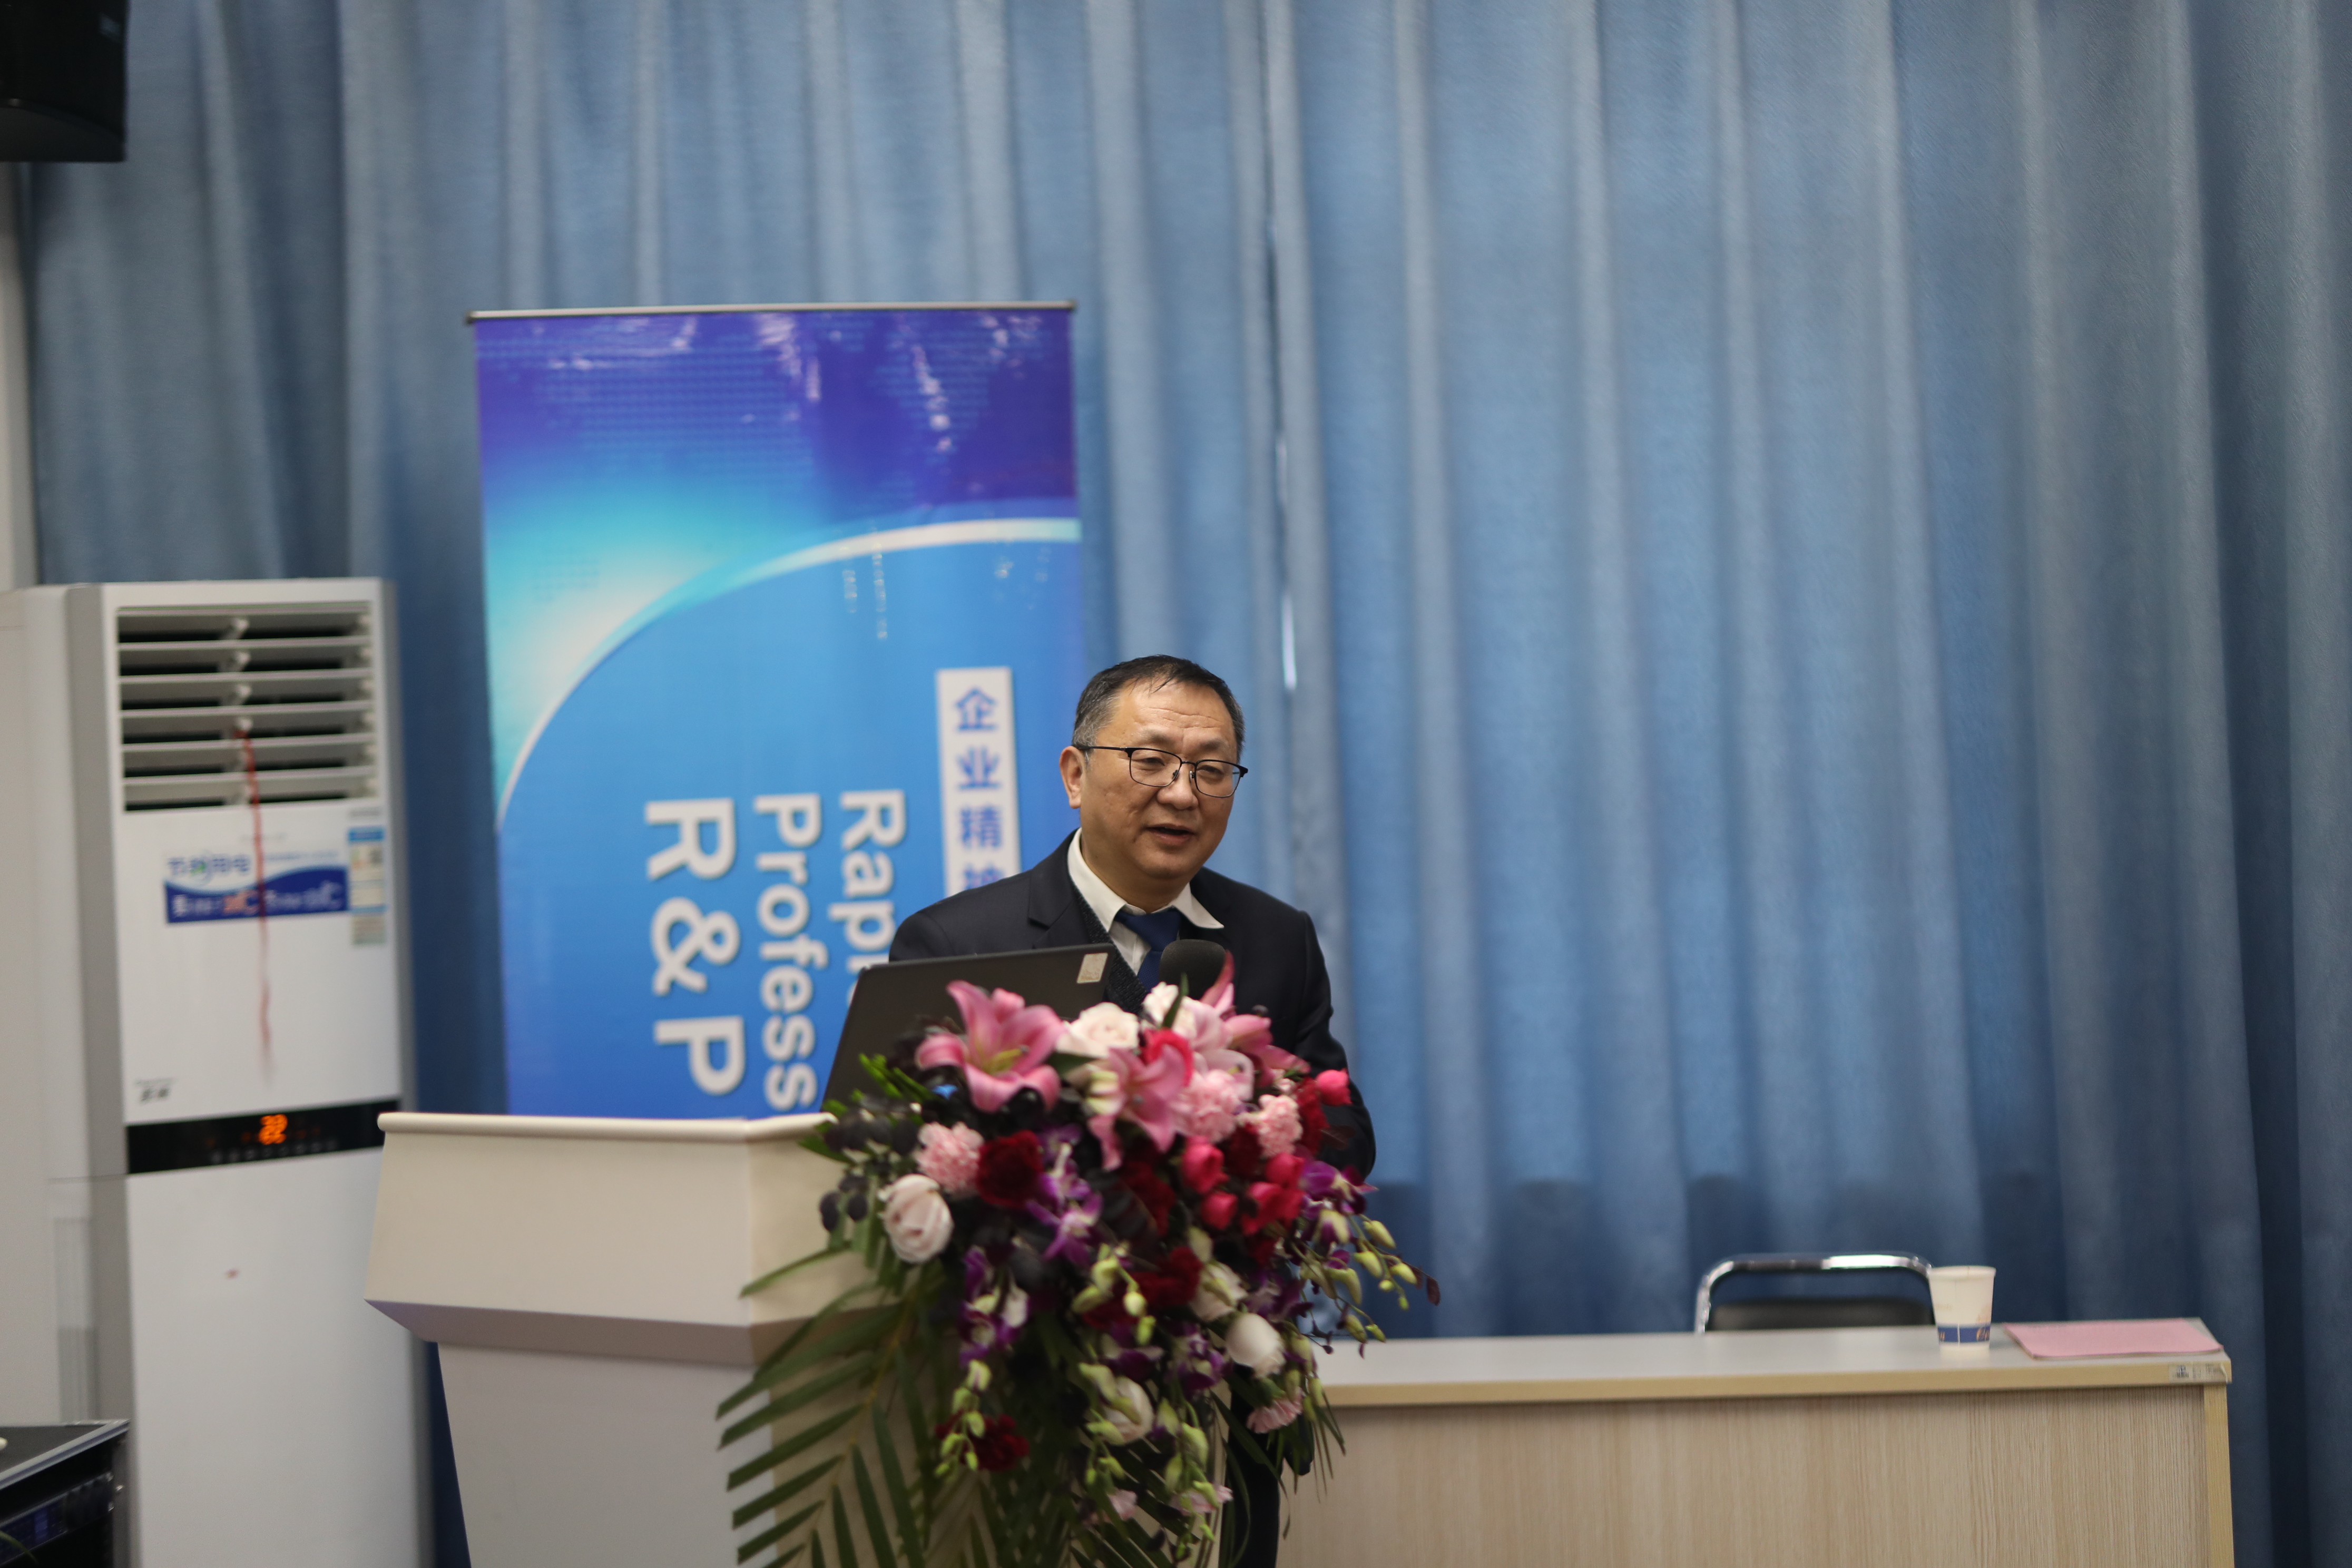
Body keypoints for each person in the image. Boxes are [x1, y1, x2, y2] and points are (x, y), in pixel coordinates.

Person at [890, 653, 1375, 1566]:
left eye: (1211, 768)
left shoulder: (1275, 937)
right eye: (1150, 761)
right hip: (1044, 1390)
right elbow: (918, 1159)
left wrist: (1238, 1148)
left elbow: (1343, 1135)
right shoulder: (958, 943)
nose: (1182, 793)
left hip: (1221, 1386)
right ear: (1076, 774)